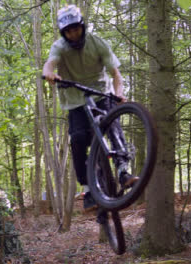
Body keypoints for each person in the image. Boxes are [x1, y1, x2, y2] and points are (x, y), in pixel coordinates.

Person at [42, 5, 138, 211]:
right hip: (75, 100)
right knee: (77, 139)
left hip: (102, 94)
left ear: (82, 27)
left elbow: (116, 74)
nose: (73, 34)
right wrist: (49, 73)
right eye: (68, 31)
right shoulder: (59, 46)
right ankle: (87, 188)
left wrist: (119, 92)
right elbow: (49, 63)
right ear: (63, 33)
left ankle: (123, 171)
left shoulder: (97, 43)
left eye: (76, 29)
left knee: (112, 126)